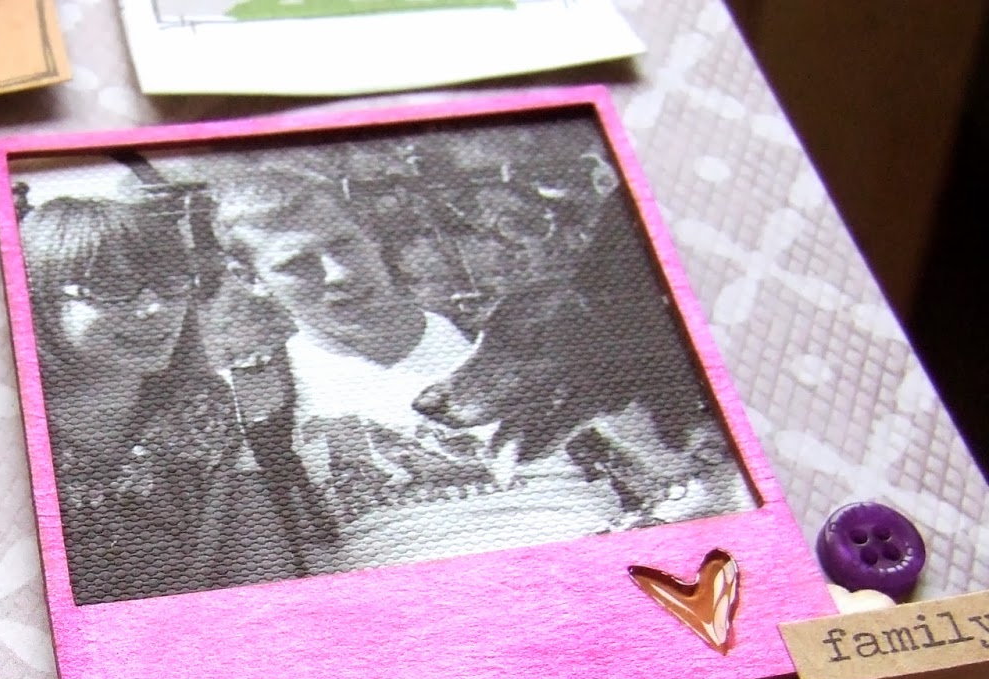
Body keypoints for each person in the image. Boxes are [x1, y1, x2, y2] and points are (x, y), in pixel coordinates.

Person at [211, 169, 741, 576]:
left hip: (599, 569)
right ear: (249, 277)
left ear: (369, 235)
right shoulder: (249, 399)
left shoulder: (513, 339)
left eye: (344, 244)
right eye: (297, 264)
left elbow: (686, 471)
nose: (338, 274)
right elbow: (267, 565)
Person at [19, 196, 296, 604]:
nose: (155, 309)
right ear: (37, 299)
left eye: (171, 284)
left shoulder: (202, 408)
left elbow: (262, 565)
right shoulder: (9, 433)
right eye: (113, 288)